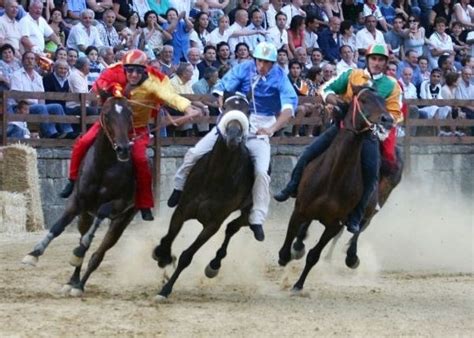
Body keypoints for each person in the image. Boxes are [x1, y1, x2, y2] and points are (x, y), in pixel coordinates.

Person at [167, 41, 298, 242]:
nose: (262, 66)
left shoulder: (281, 77)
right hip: (236, 117)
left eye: (267, 62)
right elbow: (223, 84)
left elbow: (288, 108)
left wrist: (272, 128)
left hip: (261, 125)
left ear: (273, 63)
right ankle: (179, 187)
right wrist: (220, 97)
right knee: (195, 152)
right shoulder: (244, 67)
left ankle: (257, 216)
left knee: (262, 171)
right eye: (259, 61)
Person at [274, 43, 402, 234]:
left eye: (381, 60)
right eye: (373, 59)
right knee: (309, 153)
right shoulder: (352, 74)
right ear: (367, 59)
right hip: (342, 128)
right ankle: (291, 187)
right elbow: (326, 88)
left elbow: (396, 113)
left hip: (368, 135)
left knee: (371, 175)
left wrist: (383, 122)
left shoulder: (392, 85)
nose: (376, 63)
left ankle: (356, 216)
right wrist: (335, 100)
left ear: (385, 63)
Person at [59, 49, 200, 221]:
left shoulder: (153, 84)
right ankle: (72, 180)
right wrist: (106, 91)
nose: (133, 74)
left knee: (141, 160)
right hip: (111, 123)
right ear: (125, 69)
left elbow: (170, 96)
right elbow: (98, 87)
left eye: (138, 71)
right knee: (83, 142)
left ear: (144, 71)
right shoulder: (113, 73)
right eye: (130, 70)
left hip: (137, 129)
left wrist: (187, 107)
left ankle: (145, 204)